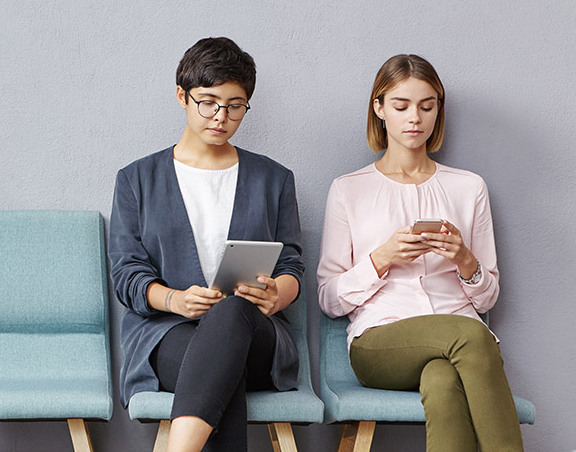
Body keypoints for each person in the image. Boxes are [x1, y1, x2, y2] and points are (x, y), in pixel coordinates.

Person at [317, 54, 524, 451]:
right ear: (379, 109)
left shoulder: (469, 188)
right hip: (379, 342)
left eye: (427, 106)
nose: (415, 118)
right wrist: (383, 258)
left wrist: (464, 260)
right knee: (472, 335)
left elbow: (488, 296)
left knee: (443, 381)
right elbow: (328, 299)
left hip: (456, 338)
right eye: (401, 106)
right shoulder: (349, 189)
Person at [108, 37, 303, 452]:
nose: (222, 117)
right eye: (209, 102)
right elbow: (126, 273)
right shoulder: (136, 180)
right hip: (168, 334)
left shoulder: (274, 179)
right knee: (215, 374)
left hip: (257, 337)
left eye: (235, 106)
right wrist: (175, 300)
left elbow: (291, 264)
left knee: (233, 314)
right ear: (182, 96)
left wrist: (276, 295)